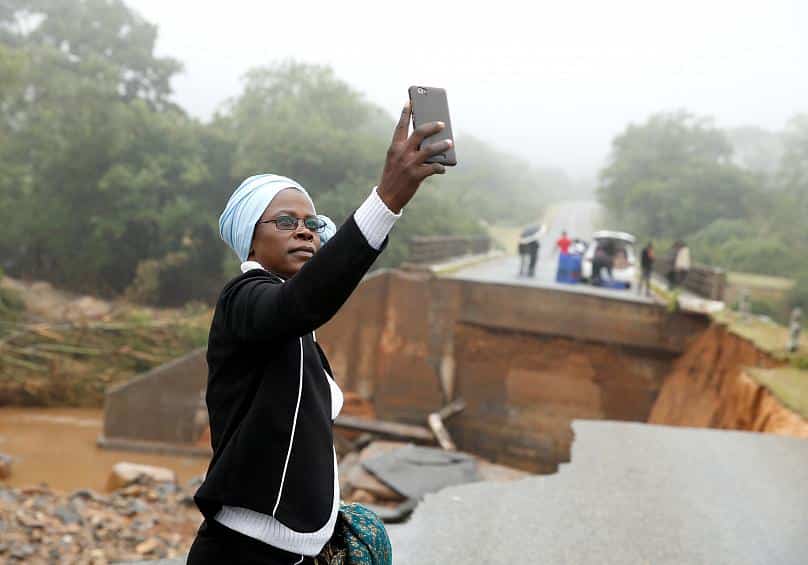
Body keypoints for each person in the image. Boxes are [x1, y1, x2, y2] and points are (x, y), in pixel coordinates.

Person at [187, 104, 451, 565]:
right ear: (250, 238)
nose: (305, 232)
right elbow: (301, 303)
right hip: (241, 554)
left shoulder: (297, 331)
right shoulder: (244, 300)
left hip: (298, 550)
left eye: (311, 224)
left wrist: (327, 525)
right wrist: (386, 201)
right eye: (285, 222)